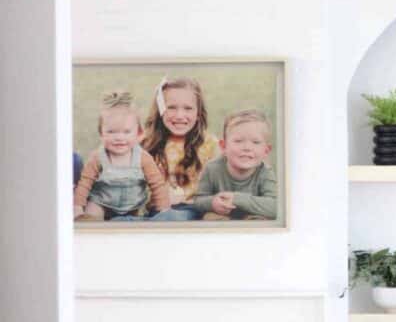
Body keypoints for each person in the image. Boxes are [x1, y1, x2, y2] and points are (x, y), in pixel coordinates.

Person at [73, 92, 170, 220]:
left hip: (134, 206)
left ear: (139, 133)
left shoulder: (143, 157)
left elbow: (157, 184)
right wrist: (78, 207)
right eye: (111, 132)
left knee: (140, 222)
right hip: (102, 203)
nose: (119, 138)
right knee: (92, 214)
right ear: (101, 134)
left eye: (126, 132)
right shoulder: (98, 157)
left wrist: (163, 209)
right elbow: (85, 183)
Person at [142, 77, 219, 221]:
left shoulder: (209, 145)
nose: (179, 116)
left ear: (198, 113)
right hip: (153, 210)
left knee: (171, 218)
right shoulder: (145, 143)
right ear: (161, 109)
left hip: (189, 210)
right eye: (171, 107)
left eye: (188, 108)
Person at [193, 109, 277, 221]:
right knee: (209, 217)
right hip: (221, 217)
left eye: (256, 142)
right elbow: (198, 201)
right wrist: (212, 203)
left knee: (262, 219)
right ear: (224, 147)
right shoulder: (212, 168)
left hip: (253, 219)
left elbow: (275, 207)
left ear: (266, 151)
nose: (247, 148)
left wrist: (236, 199)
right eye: (238, 141)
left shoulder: (265, 173)